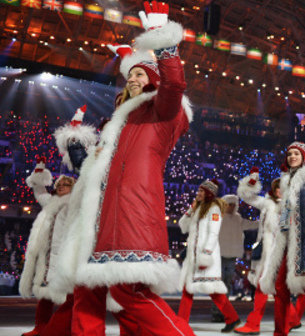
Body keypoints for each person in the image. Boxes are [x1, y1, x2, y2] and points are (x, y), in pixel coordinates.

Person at [53, 2, 196, 334]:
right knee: (87, 292)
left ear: (154, 79)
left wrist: (162, 39)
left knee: (129, 293)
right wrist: (75, 141)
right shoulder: (119, 123)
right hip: (98, 217)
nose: (132, 78)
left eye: (140, 73)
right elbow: (91, 168)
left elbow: (174, 86)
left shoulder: (162, 112)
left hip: (131, 212)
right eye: (129, 73)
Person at [259, 141, 305, 336]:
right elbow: (287, 210)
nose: (292, 156)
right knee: (280, 287)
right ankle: (279, 332)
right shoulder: (286, 180)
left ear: (304, 157)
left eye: (296, 154)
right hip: (287, 240)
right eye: (289, 153)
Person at [235, 170, 302, 334]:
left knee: (266, 288)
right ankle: (292, 319)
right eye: (277, 188)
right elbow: (247, 197)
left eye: (283, 188)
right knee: (269, 288)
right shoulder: (267, 203)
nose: (280, 191)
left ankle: (253, 324)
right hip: (265, 253)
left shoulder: (293, 207)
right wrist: (251, 182)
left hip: (280, 254)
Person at [20, 159, 75, 336]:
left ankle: (64, 328)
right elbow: (39, 190)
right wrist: (39, 170)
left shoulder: (74, 205)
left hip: (65, 256)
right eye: (59, 184)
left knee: (69, 295)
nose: (62, 186)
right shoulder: (51, 202)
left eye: (66, 184)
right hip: (47, 257)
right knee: (44, 295)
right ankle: (40, 328)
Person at [177, 179, 241, 332]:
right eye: (198, 191)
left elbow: (213, 233)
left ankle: (232, 318)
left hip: (206, 256)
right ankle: (181, 322)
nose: (197, 193)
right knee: (188, 289)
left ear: (208, 193)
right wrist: (190, 211)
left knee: (213, 291)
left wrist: (205, 254)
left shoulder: (214, 210)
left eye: (201, 191)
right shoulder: (198, 209)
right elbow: (183, 227)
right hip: (193, 257)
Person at [219, 194, 257, 296]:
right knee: (220, 281)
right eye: (229, 204)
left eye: (233, 204)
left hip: (231, 256)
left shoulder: (237, 219)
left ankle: (223, 306)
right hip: (219, 255)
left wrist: (262, 222)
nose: (231, 207)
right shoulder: (218, 218)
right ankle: (218, 306)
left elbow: (250, 224)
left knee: (228, 281)